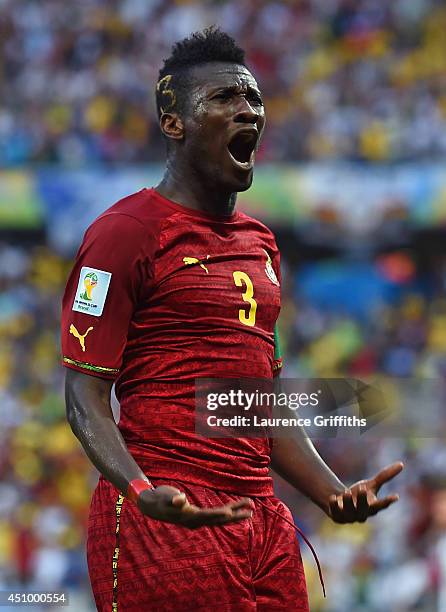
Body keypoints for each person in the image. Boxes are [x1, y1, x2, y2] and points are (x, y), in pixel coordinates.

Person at [62, 27, 403, 611]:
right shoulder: (126, 233)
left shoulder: (260, 243)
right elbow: (83, 397)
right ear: (175, 123)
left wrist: (332, 494)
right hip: (167, 512)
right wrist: (140, 490)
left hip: (262, 521)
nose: (248, 110)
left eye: (254, 99)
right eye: (224, 98)